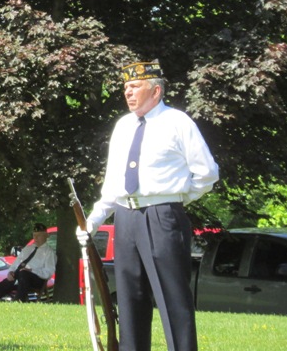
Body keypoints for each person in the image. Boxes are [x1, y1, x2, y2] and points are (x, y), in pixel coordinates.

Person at [77, 61, 219, 351]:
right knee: (130, 301)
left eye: (135, 86)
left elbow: (207, 173)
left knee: (173, 301)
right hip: (125, 218)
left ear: (155, 91)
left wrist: (175, 199)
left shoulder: (177, 122)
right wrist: (93, 219)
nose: (128, 93)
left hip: (162, 217)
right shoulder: (123, 126)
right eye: (125, 87)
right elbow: (113, 183)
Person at [0, 222, 56, 302]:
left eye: (39, 235)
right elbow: (16, 264)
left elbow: (48, 272)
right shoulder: (28, 248)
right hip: (20, 276)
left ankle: (19, 301)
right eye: (34, 235)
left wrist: (31, 270)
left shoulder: (49, 252)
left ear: (45, 236)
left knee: (24, 274)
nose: (36, 238)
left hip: (36, 279)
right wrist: (10, 272)